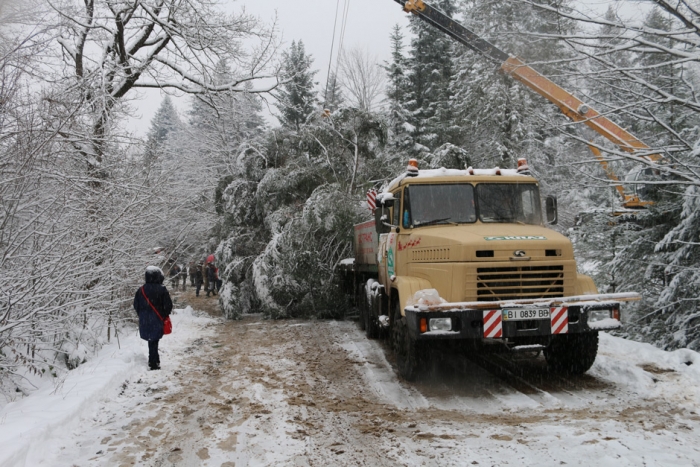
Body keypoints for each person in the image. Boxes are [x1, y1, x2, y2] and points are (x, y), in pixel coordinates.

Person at [133, 266, 172, 370]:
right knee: (154, 340)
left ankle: (153, 360)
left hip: (145, 319)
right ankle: (154, 362)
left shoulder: (141, 290)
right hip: (157, 319)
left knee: (151, 340)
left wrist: (142, 314)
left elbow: (136, 304)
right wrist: (163, 315)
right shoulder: (162, 289)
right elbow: (168, 305)